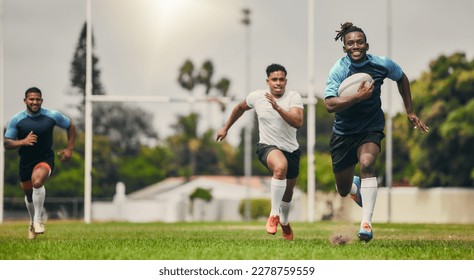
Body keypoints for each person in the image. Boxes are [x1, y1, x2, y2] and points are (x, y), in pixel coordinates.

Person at [324, 22, 429, 242]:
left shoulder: (381, 64)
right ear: (344, 48)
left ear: (366, 45)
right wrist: (357, 97)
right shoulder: (339, 69)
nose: (355, 46)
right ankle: (354, 187)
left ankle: (366, 224)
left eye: (359, 42)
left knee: (367, 164)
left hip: (371, 127)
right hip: (343, 133)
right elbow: (330, 105)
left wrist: (409, 111)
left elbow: (402, 78)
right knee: (342, 190)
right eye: (350, 43)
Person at [216, 64, 304, 241]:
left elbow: (297, 122)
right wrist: (226, 128)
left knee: (288, 194)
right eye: (274, 79)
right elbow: (240, 108)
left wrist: (278, 108)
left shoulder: (293, 97)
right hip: (267, 147)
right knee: (280, 167)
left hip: (291, 150)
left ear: (285, 81)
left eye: (281, 79)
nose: (278, 83)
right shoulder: (257, 97)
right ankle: (273, 215)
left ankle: (285, 222)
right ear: (268, 81)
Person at [4, 87, 76, 240]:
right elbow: (7, 143)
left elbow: (70, 125)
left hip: (45, 158)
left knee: (37, 181)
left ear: (41, 100)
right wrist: (23, 141)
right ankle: (32, 222)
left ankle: (38, 220)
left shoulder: (52, 115)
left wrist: (69, 149)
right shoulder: (17, 120)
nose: (35, 102)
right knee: (29, 196)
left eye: (38, 99)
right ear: (25, 101)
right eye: (31, 99)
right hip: (25, 162)